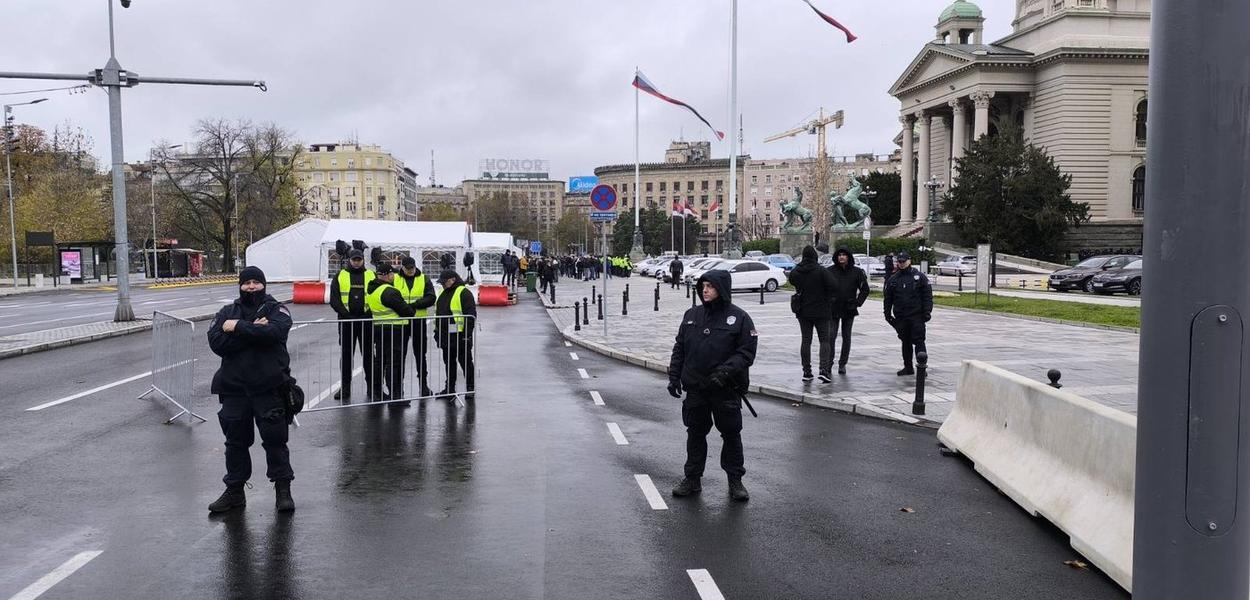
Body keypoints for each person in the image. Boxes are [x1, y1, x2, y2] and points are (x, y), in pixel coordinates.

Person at [207, 266, 295, 513]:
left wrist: (236, 327)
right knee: (235, 443)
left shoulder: (276, 309)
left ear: (264, 285)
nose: (252, 287)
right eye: (247, 283)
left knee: (275, 441)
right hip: (235, 389)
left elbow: (275, 332)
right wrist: (253, 329)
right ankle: (235, 491)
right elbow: (216, 342)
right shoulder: (227, 311)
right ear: (240, 285)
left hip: (269, 387)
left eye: (257, 282)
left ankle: (283, 490)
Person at [667, 269, 758, 502]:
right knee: (695, 433)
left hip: (725, 389)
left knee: (730, 434)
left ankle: (735, 481)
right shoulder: (691, 315)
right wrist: (674, 376)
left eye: (711, 286)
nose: (705, 290)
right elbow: (680, 348)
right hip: (696, 387)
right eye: (703, 286)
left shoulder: (739, 318)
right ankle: (692, 479)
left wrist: (725, 372)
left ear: (722, 289)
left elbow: (746, 352)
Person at [329, 249, 374, 401]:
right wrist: (346, 315)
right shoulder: (340, 276)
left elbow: (377, 295)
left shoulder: (370, 275)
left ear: (363, 260)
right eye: (354, 259)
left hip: (366, 322)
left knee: (368, 355)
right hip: (347, 322)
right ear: (349, 260)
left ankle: (372, 387)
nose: (356, 262)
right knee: (346, 356)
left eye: (359, 259)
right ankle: (345, 387)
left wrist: (368, 314)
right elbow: (334, 299)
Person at [787, 245, 836, 382]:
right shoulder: (821, 271)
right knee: (824, 340)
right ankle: (824, 370)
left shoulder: (797, 271)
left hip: (803, 311)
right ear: (815, 256)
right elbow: (834, 285)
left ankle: (807, 371)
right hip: (822, 311)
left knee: (806, 340)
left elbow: (791, 280)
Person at [883, 251, 933, 376]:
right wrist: (887, 314)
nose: (901, 263)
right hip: (901, 317)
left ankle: (922, 368)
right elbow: (888, 298)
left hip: (917, 316)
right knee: (905, 342)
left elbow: (927, 295)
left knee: (919, 341)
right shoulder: (893, 279)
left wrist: (927, 311)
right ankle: (908, 367)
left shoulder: (919, 277)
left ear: (909, 261)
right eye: (899, 261)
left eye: (903, 261)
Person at [393, 256, 437, 398]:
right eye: (408, 268)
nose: (411, 270)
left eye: (412, 268)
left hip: (418, 321)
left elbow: (431, 297)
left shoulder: (424, 279)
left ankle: (423, 386)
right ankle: (399, 389)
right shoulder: (395, 279)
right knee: (400, 355)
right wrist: (403, 307)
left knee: (420, 355)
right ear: (402, 267)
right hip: (401, 322)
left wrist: (415, 305)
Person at [827, 247, 870, 375]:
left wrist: (857, 302)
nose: (841, 257)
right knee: (831, 337)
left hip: (849, 308)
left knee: (846, 337)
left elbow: (865, 289)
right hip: (833, 309)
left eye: (844, 255)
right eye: (839, 255)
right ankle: (828, 363)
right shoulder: (830, 271)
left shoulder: (856, 272)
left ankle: (842, 364)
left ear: (848, 257)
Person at [435, 269, 477, 398]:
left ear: (453, 280)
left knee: (465, 363)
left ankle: (470, 388)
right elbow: (439, 314)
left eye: (444, 282)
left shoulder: (464, 293)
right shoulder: (444, 293)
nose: (442, 284)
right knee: (449, 363)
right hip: (446, 335)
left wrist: (467, 335)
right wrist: (437, 333)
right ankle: (449, 389)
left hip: (460, 335)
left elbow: (470, 316)